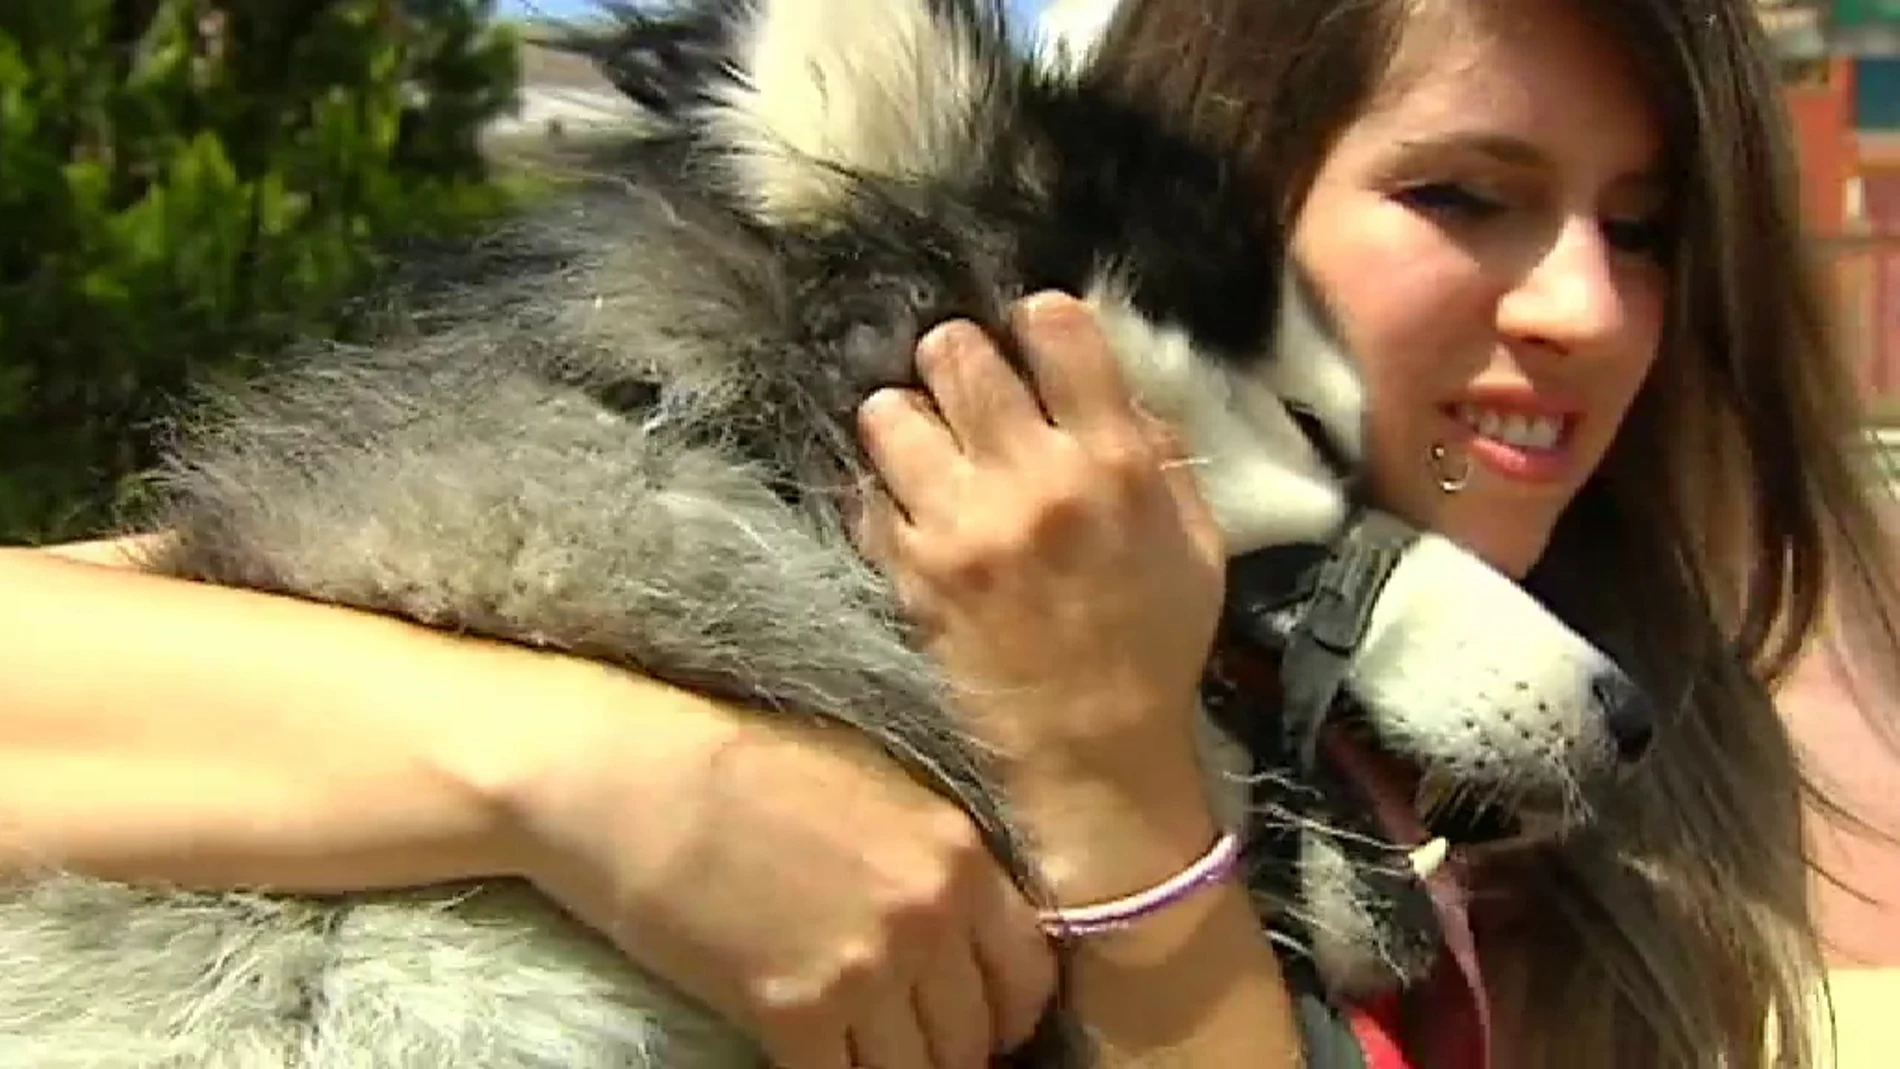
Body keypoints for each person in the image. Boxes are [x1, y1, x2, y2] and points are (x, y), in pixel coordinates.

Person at [2, 0, 1892, 1065]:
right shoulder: (533, 539)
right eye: (1468, 194)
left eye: (1644, 229)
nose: (1585, 308)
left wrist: (1114, 786)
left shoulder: (1616, 928)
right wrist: (611, 775)